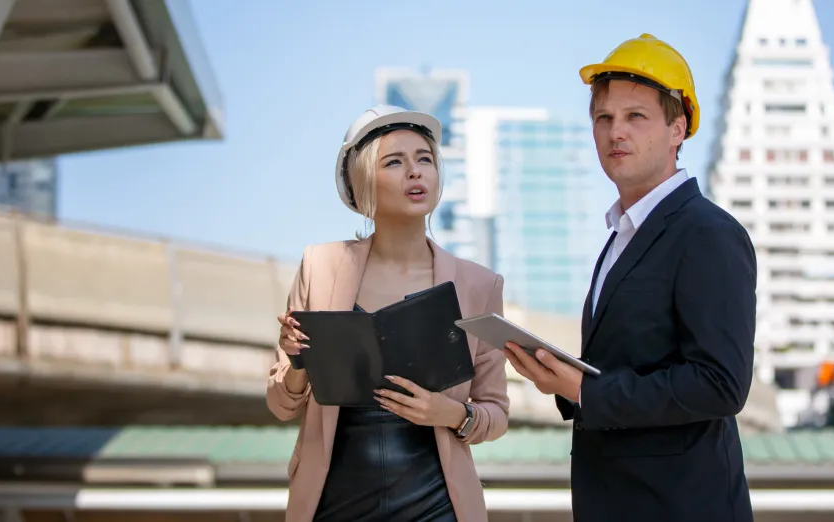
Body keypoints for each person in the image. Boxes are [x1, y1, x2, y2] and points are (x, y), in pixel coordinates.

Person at [502, 34, 757, 522]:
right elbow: (632, 363)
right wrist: (562, 381)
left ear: (678, 129)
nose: (615, 132)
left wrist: (586, 391)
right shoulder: (621, 237)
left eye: (635, 117)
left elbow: (721, 384)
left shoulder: (708, 234)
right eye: (604, 118)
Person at [266, 105, 511, 522]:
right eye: (394, 162)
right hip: (333, 500)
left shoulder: (479, 285)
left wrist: (450, 413)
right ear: (363, 184)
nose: (415, 172)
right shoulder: (319, 266)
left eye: (425, 159)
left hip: (436, 502)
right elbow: (282, 405)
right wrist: (296, 363)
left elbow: (496, 411)